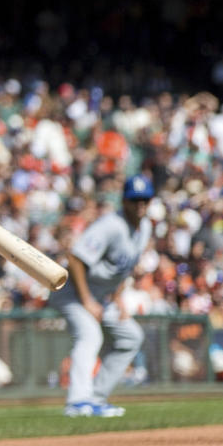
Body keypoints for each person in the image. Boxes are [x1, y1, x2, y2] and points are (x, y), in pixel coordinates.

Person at [46, 175, 152, 417]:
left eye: (145, 199)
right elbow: (75, 259)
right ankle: (77, 402)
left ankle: (96, 397)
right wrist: (87, 301)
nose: (140, 205)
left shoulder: (145, 227)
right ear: (124, 201)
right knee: (90, 335)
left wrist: (117, 298)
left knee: (132, 337)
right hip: (73, 292)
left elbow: (124, 268)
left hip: (102, 296)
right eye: (135, 200)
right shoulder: (110, 225)